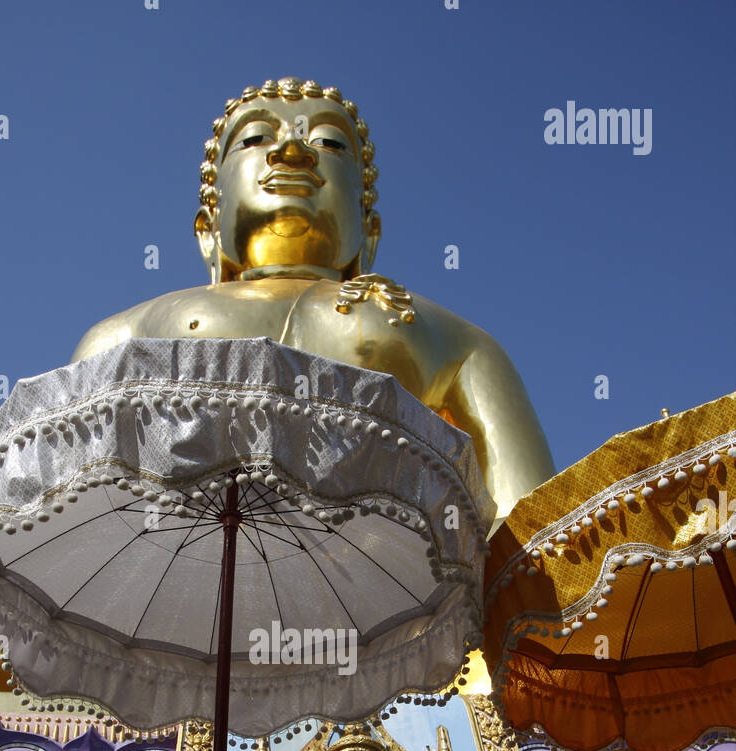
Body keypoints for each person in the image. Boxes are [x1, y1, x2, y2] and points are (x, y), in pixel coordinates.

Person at [71, 76, 554, 522]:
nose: (292, 149)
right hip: (179, 585)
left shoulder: (454, 341)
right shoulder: (123, 336)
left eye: (329, 142)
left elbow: (533, 533)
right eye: (256, 137)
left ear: (370, 230)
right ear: (208, 226)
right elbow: (62, 507)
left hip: (393, 589)